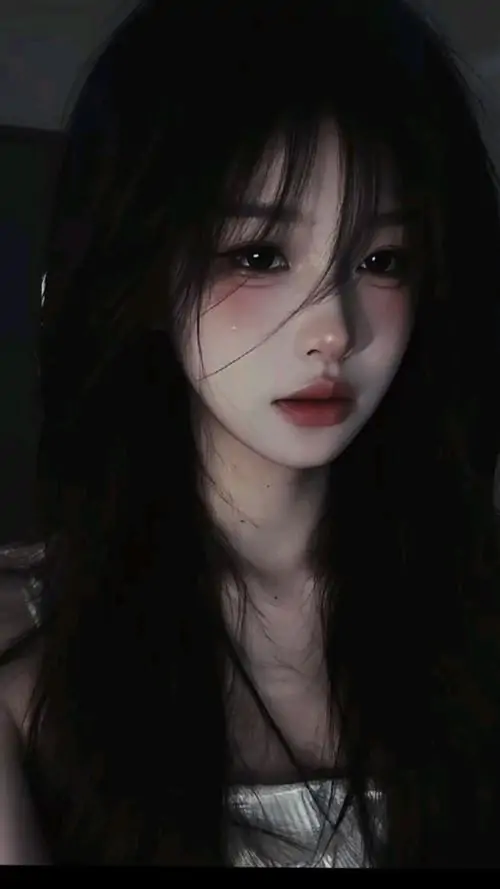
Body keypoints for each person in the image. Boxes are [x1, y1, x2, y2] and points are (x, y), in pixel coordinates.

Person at [0, 0, 500, 867]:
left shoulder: (471, 602)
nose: (334, 329)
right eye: (260, 254)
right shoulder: (31, 646)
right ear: (146, 267)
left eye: (381, 260)